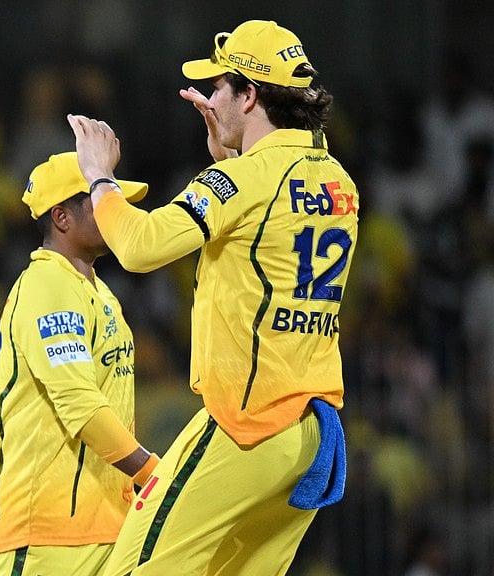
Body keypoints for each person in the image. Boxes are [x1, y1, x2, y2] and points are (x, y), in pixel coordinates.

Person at [67, 19, 358, 575]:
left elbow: (140, 247)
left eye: (220, 87)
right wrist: (227, 155)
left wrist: (99, 177)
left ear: (249, 95)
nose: (211, 97)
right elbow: (266, 237)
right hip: (308, 437)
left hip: (244, 428)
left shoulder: (245, 180)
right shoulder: (338, 178)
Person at [0, 151, 159, 576]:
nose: (115, 209)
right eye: (100, 200)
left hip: (105, 529)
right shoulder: (47, 283)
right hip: (46, 535)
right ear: (62, 218)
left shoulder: (101, 293)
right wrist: (156, 474)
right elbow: (79, 403)